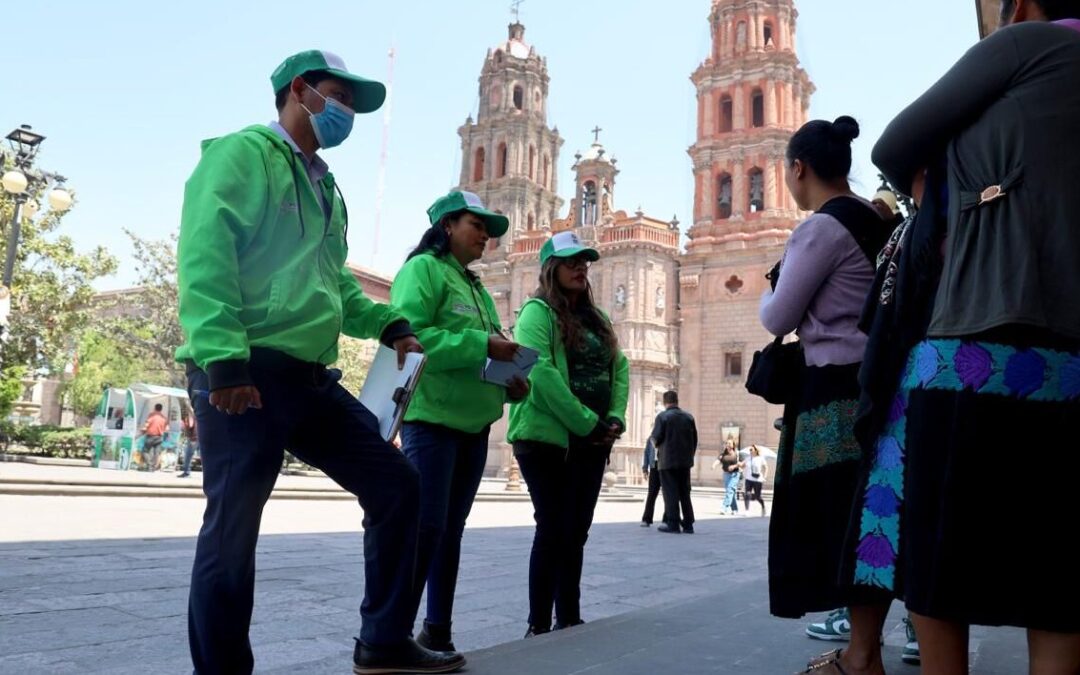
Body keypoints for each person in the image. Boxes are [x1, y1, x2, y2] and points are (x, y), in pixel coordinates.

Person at [175, 49, 464, 674]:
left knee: (396, 484)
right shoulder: (241, 154)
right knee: (233, 528)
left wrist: (389, 323)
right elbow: (206, 256)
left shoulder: (326, 185)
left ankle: (382, 641)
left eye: (354, 105)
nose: (348, 112)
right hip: (245, 371)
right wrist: (222, 360)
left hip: (307, 378)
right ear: (299, 91)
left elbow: (334, 285)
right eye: (340, 97)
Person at [860, 3, 1080, 673]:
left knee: (935, 558)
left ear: (1021, 6)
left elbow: (894, 145)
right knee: (1058, 571)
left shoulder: (1025, 44)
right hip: (1069, 359)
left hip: (971, 344)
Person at [758, 115, 893, 675]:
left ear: (797, 168)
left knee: (836, 520)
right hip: (874, 384)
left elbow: (777, 316)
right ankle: (864, 650)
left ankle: (860, 658)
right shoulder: (874, 219)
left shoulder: (819, 228)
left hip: (832, 393)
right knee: (866, 521)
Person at [390, 190, 530, 651]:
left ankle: (438, 630)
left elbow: (484, 350)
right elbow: (413, 338)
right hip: (432, 423)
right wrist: (484, 346)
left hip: (473, 428)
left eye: (489, 229)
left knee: (450, 532)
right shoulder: (422, 271)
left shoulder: (475, 287)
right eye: (477, 225)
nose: (486, 236)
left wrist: (508, 381)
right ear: (447, 225)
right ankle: (392, 635)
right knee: (425, 528)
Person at [507, 230, 629, 637]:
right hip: (547, 440)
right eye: (572, 261)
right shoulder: (536, 312)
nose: (581, 268)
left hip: (593, 439)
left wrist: (613, 416)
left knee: (577, 529)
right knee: (554, 525)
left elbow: (621, 368)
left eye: (585, 262)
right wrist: (585, 421)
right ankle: (538, 624)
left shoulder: (598, 319)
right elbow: (538, 370)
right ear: (551, 268)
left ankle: (569, 617)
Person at [651, 391, 699, 534]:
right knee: (684, 492)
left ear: (666, 402)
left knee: (670, 492)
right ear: (677, 401)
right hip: (685, 461)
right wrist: (689, 455)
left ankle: (673, 523)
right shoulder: (689, 417)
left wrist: (657, 445)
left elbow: (655, 438)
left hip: (667, 461)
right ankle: (688, 524)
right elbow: (694, 440)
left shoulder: (662, 417)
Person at [639, 437, 662, 527]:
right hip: (654, 467)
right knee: (651, 494)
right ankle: (646, 519)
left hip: (665, 466)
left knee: (668, 495)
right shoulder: (651, 438)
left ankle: (668, 519)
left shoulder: (666, 435)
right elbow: (646, 453)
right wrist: (645, 468)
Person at [139, 403, 168, 472]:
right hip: (159, 437)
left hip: (151, 436)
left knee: (145, 451)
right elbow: (166, 429)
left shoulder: (152, 415)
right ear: (161, 409)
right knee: (156, 453)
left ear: (155, 408)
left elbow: (147, 425)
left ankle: (149, 466)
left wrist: (142, 430)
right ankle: (154, 467)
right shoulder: (163, 418)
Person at [718, 439, 741, 515]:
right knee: (731, 492)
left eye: (729, 443)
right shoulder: (723, 454)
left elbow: (741, 463)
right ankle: (735, 509)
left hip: (735, 474)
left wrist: (734, 466)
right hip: (726, 474)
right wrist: (714, 465)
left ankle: (724, 508)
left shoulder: (737, 453)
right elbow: (719, 460)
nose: (728, 444)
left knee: (730, 490)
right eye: (727, 443)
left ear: (733, 445)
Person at [742, 445, 767, 516]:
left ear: (756, 451)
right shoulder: (747, 458)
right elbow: (742, 465)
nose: (750, 451)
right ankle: (747, 510)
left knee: (757, 496)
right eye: (749, 450)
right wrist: (738, 465)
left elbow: (766, 467)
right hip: (748, 479)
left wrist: (765, 476)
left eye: (751, 449)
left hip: (758, 480)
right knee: (747, 494)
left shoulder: (760, 458)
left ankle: (763, 507)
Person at [178, 408, 198, 478]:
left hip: (193, 438)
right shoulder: (197, 416)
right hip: (197, 437)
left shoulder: (191, 416)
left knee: (187, 456)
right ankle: (186, 472)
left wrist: (185, 424)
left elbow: (190, 425)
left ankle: (186, 472)